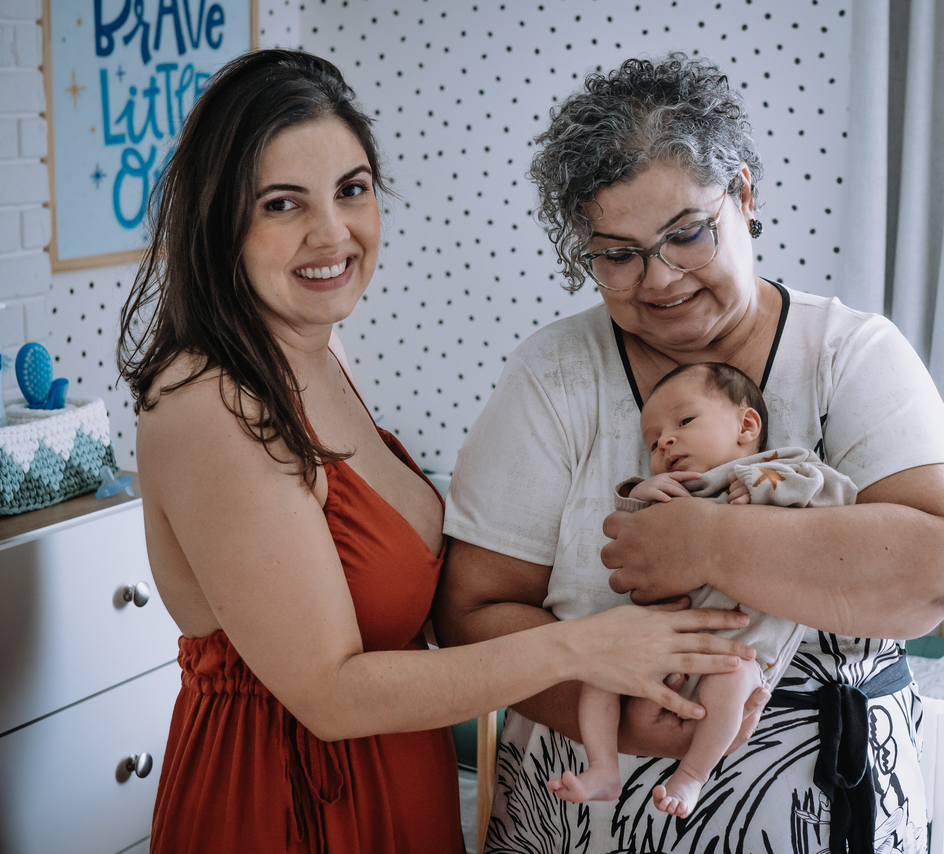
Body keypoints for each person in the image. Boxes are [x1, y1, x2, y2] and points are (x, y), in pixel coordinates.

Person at [116, 49, 760, 854]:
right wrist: (585, 646)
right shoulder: (211, 403)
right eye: (282, 204)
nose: (333, 232)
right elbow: (331, 695)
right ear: (220, 222)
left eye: (352, 190)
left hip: (392, 776)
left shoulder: (319, 352)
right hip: (283, 804)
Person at [436, 53, 944, 854]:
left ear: (744, 197)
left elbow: (943, 568)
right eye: (617, 254)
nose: (659, 280)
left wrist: (704, 543)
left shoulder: (848, 355)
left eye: (686, 235)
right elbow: (471, 613)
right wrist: (632, 722)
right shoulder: (556, 374)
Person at [547, 362, 858, 819]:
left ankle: (693, 774)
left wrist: (762, 489)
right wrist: (642, 491)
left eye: (684, 421)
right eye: (653, 442)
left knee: (730, 683)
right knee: (598, 672)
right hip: (659, 646)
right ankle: (603, 767)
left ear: (747, 426)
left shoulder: (778, 465)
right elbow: (632, 535)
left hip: (741, 653)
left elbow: (839, 496)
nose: (664, 442)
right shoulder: (675, 490)